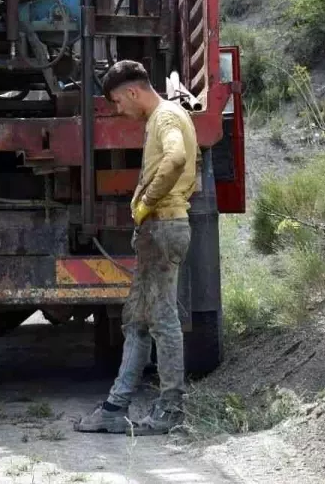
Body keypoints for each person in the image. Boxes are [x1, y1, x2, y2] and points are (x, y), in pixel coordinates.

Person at [75, 60, 200, 436]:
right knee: (137, 320)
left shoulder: (165, 118)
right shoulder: (164, 116)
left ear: (133, 91)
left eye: (117, 101)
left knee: (161, 319)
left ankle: (170, 410)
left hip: (163, 225)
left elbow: (176, 157)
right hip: (158, 229)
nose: (118, 110)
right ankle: (116, 405)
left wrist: (146, 201)